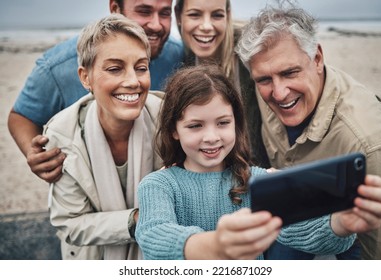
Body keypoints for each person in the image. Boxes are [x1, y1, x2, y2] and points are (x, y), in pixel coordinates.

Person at [134, 65, 381, 260]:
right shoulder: (158, 185)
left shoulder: (257, 180)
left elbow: (299, 228)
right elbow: (154, 235)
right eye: (195, 126)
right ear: (173, 130)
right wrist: (217, 245)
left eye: (223, 123)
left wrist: (340, 223)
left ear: (237, 123)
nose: (211, 137)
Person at [235, 1, 381, 260]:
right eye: (264, 79)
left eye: (290, 73)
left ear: (317, 59)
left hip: (347, 232)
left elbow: (380, 255)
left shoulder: (367, 142)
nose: (279, 93)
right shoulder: (260, 73)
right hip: (287, 215)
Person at [8, 0, 184, 183]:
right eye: (144, 11)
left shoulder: (177, 56)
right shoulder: (57, 67)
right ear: (115, 9)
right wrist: (35, 154)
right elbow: (21, 116)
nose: (156, 24)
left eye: (164, 13)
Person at [44, 14, 162, 259]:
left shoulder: (167, 118)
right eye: (115, 69)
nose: (133, 81)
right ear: (85, 77)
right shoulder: (62, 134)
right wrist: (136, 220)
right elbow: (70, 224)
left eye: (141, 68)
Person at [174, 0, 270, 168]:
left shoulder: (251, 53)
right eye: (195, 15)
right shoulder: (182, 62)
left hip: (258, 173)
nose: (206, 26)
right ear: (178, 16)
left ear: (228, 16)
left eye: (217, 15)